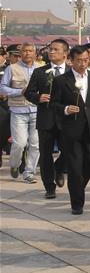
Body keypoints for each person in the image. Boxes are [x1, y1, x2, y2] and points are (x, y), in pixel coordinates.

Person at [50, 45, 90, 214]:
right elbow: (53, 104)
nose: (83, 64)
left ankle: (77, 188)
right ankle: (77, 203)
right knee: (75, 168)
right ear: (71, 61)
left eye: (86, 60)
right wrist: (66, 109)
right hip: (71, 130)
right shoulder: (61, 81)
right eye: (79, 61)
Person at [24, 38, 69, 198]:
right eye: (50, 49)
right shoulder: (39, 71)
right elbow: (28, 92)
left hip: (66, 119)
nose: (51, 52)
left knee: (70, 151)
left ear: (65, 53)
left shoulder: (71, 71)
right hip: (46, 119)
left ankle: (59, 168)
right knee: (45, 154)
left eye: (56, 49)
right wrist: (38, 97)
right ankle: (49, 187)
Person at [1, 43, 40, 183]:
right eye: (24, 51)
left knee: (35, 144)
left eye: (30, 51)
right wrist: (19, 92)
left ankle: (29, 172)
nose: (27, 53)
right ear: (20, 53)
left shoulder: (40, 68)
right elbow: (3, 88)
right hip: (18, 110)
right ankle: (14, 165)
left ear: (35, 53)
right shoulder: (12, 69)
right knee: (20, 143)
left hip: (36, 110)